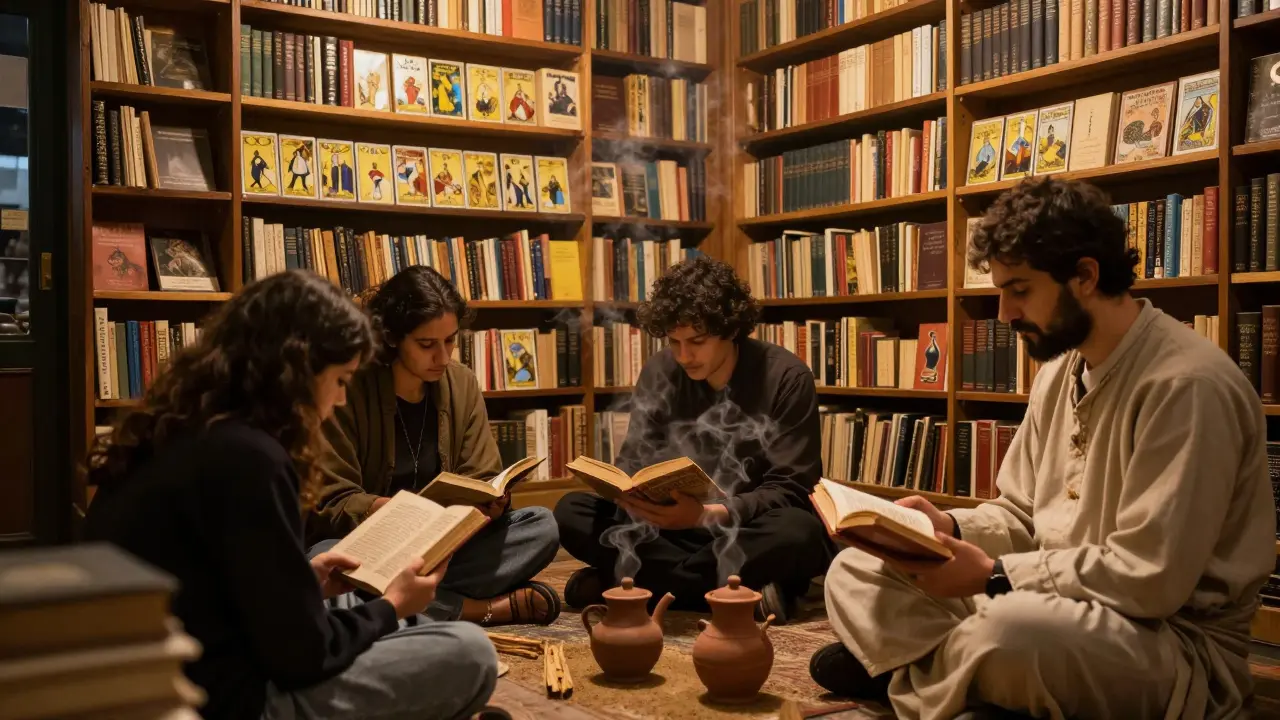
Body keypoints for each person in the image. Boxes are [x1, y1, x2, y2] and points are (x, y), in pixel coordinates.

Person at [811, 177, 1275, 719]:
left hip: (1166, 642)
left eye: (1020, 290)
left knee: (1010, 631)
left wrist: (994, 578)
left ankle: (917, 668)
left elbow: (1150, 579)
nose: (1004, 313)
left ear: (1084, 276)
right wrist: (947, 529)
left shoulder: (1187, 385)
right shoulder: (1060, 370)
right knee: (857, 571)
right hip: (1051, 601)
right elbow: (1020, 514)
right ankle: (973, 682)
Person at [83, 271, 497, 720]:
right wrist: (392, 605)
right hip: (222, 697)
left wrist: (302, 578)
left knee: (357, 605)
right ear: (297, 371)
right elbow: (301, 657)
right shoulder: (252, 458)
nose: (340, 400)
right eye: (340, 381)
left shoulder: (182, 427)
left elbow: (221, 588)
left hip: (159, 673)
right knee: (469, 653)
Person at [553, 256, 834, 624]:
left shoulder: (786, 377)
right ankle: (730, 591)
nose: (684, 355)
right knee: (571, 512)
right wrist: (632, 493)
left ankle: (628, 581)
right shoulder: (661, 371)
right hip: (668, 530)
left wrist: (707, 515)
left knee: (802, 532)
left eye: (697, 342)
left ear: (730, 329)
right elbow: (634, 460)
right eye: (674, 342)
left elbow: (793, 488)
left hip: (739, 530)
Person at [310, 265, 562, 627]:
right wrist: (399, 512)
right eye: (427, 344)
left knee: (540, 526)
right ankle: (476, 610)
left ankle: (409, 609)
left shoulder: (461, 383)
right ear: (393, 337)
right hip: (371, 552)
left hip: (444, 549)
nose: (443, 358)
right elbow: (331, 503)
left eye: (451, 341)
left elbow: (483, 475)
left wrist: (492, 502)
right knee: (323, 569)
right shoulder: (349, 387)